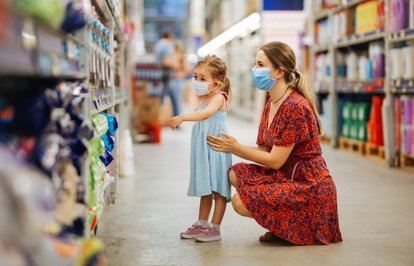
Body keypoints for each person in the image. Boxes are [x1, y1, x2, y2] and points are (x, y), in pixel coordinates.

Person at [207, 41, 343, 245]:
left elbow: (275, 160)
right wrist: (229, 147)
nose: (255, 70)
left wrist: (236, 147)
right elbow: (263, 150)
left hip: (308, 184)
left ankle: (293, 226)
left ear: (279, 72)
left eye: (261, 65)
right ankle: (283, 225)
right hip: (286, 176)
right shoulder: (272, 101)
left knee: (240, 202)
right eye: (255, 64)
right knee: (234, 173)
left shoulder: (295, 107)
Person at [168, 55, 232, 242]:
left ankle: (215, 227)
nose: (197, 82)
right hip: (204, 151)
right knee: (206, 188)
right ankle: (202, 223)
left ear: (217, 83)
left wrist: (182, 117)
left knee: (218, 189)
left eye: (202, 79)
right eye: (195, 77)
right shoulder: (204, 98)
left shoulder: (219, 97)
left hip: (216, 149)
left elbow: (206, 114)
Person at [169, 43, 192, 117]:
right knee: (175, 100)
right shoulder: (176, 56)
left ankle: (177, 118)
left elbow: (188, 69)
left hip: (178, 80)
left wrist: (181, 75)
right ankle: (175, 117)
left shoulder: (180, 57)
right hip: (175, 80)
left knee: (177, 100)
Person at [154, 31, 175, 105]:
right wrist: (174, 65)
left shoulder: (158, 44)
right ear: (169, 37)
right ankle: (162, 106)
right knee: (167, 90)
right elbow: (166, 62)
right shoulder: (166, 45)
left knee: (160, 89)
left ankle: (159, 106)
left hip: (158, 69)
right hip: (165, 70)